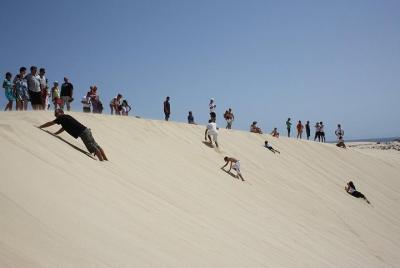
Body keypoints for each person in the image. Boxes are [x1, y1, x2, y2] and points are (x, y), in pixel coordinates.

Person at [38, 109, 108, 161]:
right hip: (86, 131)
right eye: (55, 114)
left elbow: (51, 123)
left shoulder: (61, 117)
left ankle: (101, 162)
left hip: (83, 133)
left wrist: (40, 127)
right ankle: (106, 160)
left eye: (57, 113)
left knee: (93, 147)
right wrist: (55, 133)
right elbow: (64, 128)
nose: (56, 115)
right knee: (96, 145)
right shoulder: (65, 118)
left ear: (61, 112)